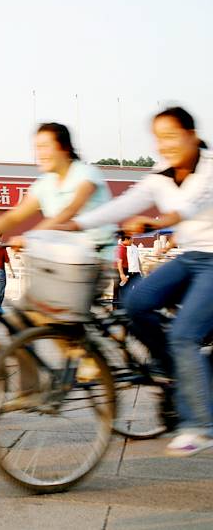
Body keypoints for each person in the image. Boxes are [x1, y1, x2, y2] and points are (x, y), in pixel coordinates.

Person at [66, 107, 213, 455]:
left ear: (192, 135)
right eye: (159, 138)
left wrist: (156, 222)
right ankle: (173, 365)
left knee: (183, 334)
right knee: (133, 302)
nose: (165, 145)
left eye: (172, 136)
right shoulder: (159, 175)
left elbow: (191, 207)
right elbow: (126, 203)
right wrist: (77, 223)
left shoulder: (209, 169)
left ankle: (201, 424)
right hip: (190, 257)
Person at [0, 123, 114, 250]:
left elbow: (69, 210)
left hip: (97, 258)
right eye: (37, 148)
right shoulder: (44, 184)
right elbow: (13, 217)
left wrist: (30, 238)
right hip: (63, 258)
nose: (40, 154)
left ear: (64, 147)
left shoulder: (86, 173)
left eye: (45, 147)